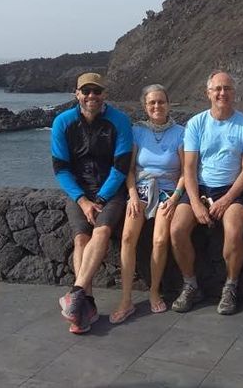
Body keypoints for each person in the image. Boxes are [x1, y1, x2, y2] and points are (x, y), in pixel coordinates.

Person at [169, 71, 243, 315]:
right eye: (217, 88)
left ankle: (231, 285)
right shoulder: (197, 123)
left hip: (231, 189)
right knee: (177, 229)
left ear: (234, 92)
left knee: (233, 231)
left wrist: (227, 199)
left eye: (227, 88)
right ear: (208, 93)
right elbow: (188, 167)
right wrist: (197, 205)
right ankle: (190, 284)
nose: (222, 93)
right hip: (200, 188)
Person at [51, 72, 133, 334]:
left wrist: (99, 199)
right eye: (86, 91)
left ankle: (75, 294)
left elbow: (121, 167)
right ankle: (85, 304)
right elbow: (61, 169)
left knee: (103, 230)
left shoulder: (119, 121)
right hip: (79, 191)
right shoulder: (63, 122)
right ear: (77, 94)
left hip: (110, 190)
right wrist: (83, 200)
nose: (91, 97)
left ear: (104, 94)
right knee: (80, 240)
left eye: (96, 92)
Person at [110, 84, 186, 324]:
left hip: (167, 190)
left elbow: (186, 171)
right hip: (141, 189)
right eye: (152, 103)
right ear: (145, 106)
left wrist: (175, 198)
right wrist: (132, 194)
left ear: (168, 103)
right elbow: (130, 169)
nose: (157, 106)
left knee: (161, 239)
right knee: (127, 238)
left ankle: (154, 290)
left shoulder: (181, 132)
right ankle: (126, 300)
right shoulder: (137, 131)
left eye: (161, 102)